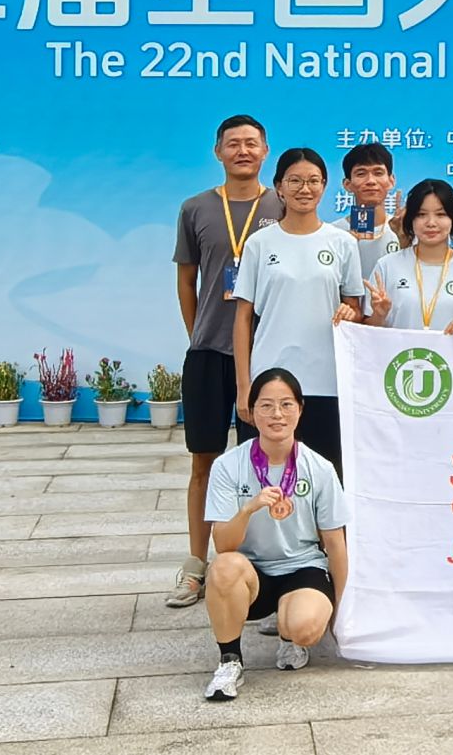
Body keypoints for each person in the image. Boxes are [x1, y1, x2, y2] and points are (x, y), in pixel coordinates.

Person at [168, 114, 285, 609]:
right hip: (209, 354)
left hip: (268, 356)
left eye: (251, 143)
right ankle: (196, 565)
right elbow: (186, 279)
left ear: (265, 151)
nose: (243, 151)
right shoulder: (195, 208)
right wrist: (199, 334)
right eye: (233, 143)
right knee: (204, 461)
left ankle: (258, 565)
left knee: (263, 465)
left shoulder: (283, 204)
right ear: (218, 152)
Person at [202, 368, 347, 701]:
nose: (277, 414)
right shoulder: (228, 465)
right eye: (266, 406)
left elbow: (335, 544)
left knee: (303, 627)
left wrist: (340, 612)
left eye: (286, 404)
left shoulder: (320, 468)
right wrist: (248, 508)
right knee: (223, 567)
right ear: (252, 412)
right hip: (252, 573)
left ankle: (289, 635)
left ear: (300, 409)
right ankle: (229, 660)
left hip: (302, 567)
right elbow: (223, 544)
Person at [234, 147, 371, 479]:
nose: (304, 189)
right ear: (279, 186)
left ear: (324, 186)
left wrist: (350, 312)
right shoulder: (259, 243)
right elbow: (242, 319)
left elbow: (354, 308)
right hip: (270, 380)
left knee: (326, 478)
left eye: (313, 181)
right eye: (295, 180)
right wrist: (244, 387)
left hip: (327, 380)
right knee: (266, 481)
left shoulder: (342, 243)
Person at [364, 178, 453, 332]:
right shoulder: (387, 266)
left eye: (440, 214)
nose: (431, 223)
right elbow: (364, 332)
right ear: (411, 220)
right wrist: (379, 315)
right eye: (421, 214)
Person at [330, 142, 403, 276]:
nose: (371, 181)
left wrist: (404, 241)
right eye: (361, 174)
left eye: (378, 173)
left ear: (391, 181)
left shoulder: (403, 230)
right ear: (347, 184)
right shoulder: (333, 233)